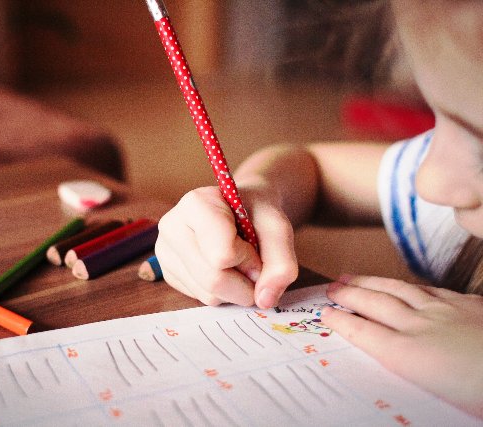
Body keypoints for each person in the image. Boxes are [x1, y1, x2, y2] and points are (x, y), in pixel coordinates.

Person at [154, 0, 483, 419]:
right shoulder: (454, 201)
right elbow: (312, 169)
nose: (426, 181)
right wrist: (261, 194)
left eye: (481, 147)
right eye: (436, 119)